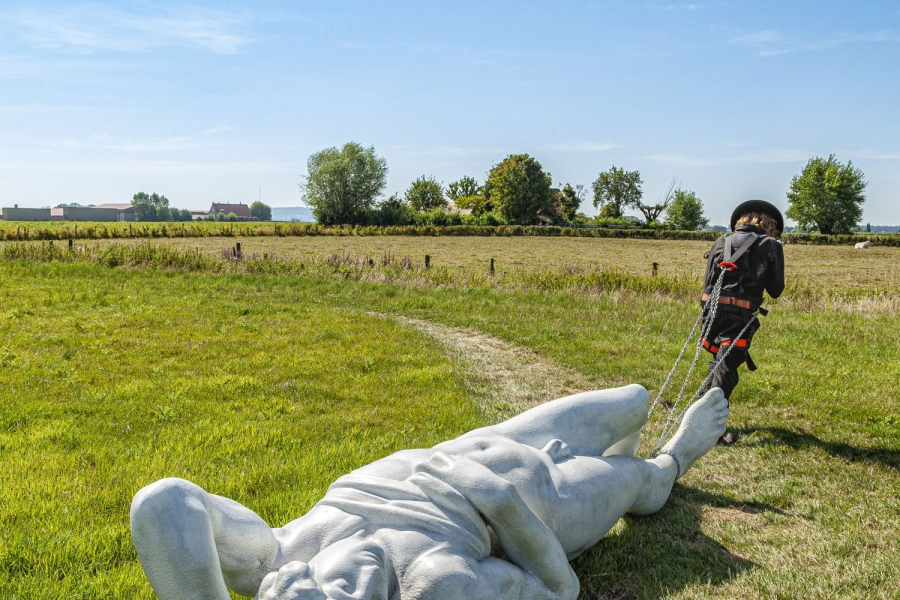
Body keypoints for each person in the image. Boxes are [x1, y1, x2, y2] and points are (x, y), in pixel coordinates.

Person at [130, 385, 729, 600]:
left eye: (319, 584)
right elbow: (558, 588)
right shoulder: (438, 584)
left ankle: (627, 443)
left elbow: (164, 504)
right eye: (351, 599)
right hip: (548, 497)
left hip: (484, 442)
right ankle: (679, 451)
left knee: (632, 399)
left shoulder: (280, 555)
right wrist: (496, 501)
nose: (345, 579)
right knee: (643, 483)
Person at [699, 199, 785, 443]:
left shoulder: (720, 241)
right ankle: (709, 429)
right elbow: (776, 289)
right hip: (741, 314)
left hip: (711, 311)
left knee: (720, 363)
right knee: (727, 370)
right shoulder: (770, 246)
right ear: (769, 225)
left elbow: (708, 284)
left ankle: (697, 411)